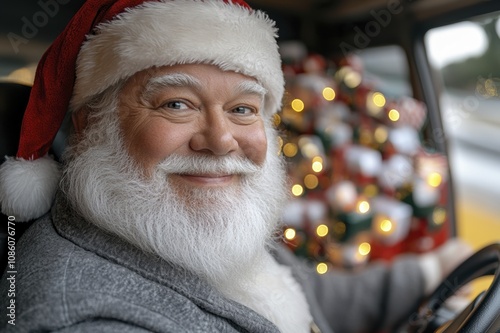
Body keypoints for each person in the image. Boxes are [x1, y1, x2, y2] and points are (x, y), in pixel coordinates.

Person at [0, 0, 472, 332]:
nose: (221, 141)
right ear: (89, 126)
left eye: (243, 110)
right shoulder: (84, 316)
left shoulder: (193, 228)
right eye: (177, 104)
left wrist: (434, 270)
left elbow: (313, 298)